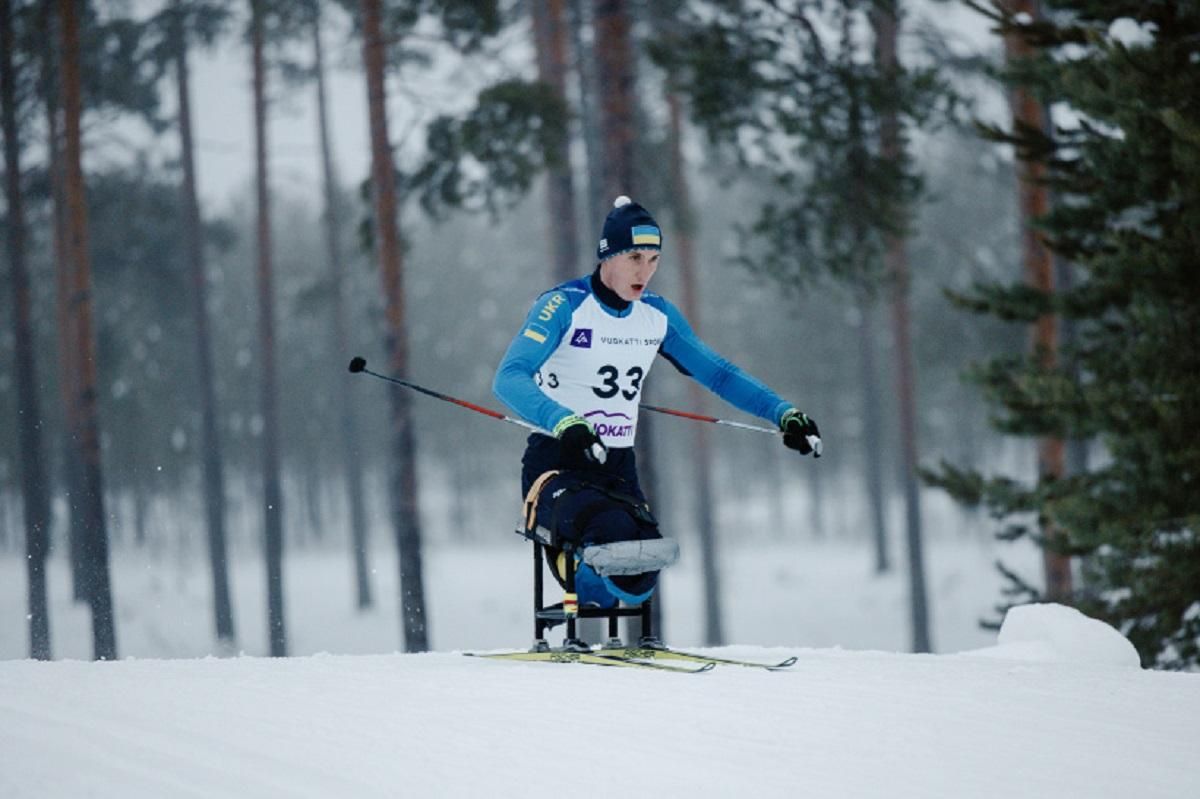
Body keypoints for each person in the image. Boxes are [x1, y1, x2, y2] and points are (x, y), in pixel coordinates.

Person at [493, 196, 820, 608]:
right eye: (634, 258)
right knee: (610, 540)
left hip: (617, 468)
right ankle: (574, 575)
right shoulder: (565, 304)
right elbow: (509, 377)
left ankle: (590, 602)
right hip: (557, 461)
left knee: (641, 570)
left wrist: (784, 413)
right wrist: (564, 421)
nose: (644, 272)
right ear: (607, 255)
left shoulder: (656, 315)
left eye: (653, 260)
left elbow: (719, 374)